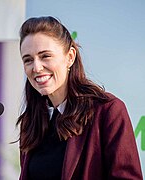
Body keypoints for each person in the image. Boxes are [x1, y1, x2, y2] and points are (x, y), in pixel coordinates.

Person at [16, 16, 143, 180]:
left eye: (45, 56)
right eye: (28, 60)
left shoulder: (108, 110)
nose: (37, 67)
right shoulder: (30, 121)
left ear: (70, 57)